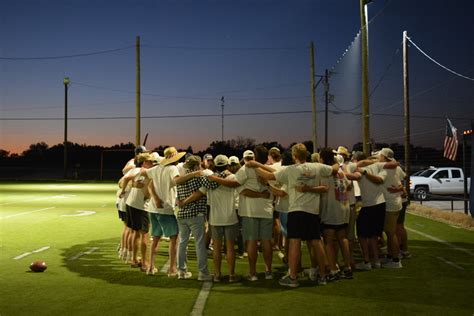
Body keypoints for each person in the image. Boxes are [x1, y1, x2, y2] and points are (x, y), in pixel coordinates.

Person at [248, 143, 338, 287]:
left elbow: (268, 175)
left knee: (294, 242)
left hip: (296, 210)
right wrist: (337, 161)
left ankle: (293, 277)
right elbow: (334, 169)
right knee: (316, 241)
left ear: (294, 156)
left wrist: (253, 165)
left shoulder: (290, 170)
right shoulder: (316, 167)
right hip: (313, 211)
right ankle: (322, 276)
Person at [208, 147, 274, 281]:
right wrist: (262, 193)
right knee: (266, 241)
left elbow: (236, 185)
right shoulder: (267, 169)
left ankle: (251, 273)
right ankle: (267, 271)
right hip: (265, 209)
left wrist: (214, 178)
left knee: (250, 242)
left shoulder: (244, 170)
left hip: (247, 211)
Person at [139, 146, 190, 277]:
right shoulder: (172, 169)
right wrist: (193, 175)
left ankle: (150, 267)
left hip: (153, 209)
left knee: (156, 238)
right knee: (174, 238)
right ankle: (172, 269)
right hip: (166, 209)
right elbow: (177, 180)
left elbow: (144, 173)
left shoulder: (156, 169)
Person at [176, 155, 213, 281]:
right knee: (199, 244)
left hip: (181, 215)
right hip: (196, 214)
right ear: (197, 165)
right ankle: (203, 273)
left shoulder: (181, 178)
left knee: (182, 243)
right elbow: (211, 185)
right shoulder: (199, 176)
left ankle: (181, 271)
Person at [319, 149, 352, 280]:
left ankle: (333, 270)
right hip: (343, 206)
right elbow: (348, 185)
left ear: (322, 159)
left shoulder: (325, 172)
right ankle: (348, 267)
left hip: (331, 210)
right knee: (342, 238)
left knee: (329, 240)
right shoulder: (340, 171)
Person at [120, 152, 154, 272]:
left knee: (135, 232)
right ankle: (144, 263)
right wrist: (150, 195)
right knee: (144, 234)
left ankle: (134, 260)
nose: (152, 163)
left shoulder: (134, 170)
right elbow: (146, 193)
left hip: (130, 203)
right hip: (140, 206)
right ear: (144, 162)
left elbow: (124, 179)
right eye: (150, 161)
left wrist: (124, 190)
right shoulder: (147, 172)